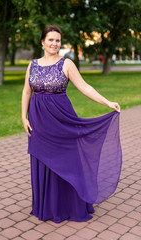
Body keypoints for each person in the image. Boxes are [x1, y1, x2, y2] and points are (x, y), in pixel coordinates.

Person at [21, 25, 122, 223]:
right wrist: (23, 117)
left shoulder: (66, 64)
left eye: (57, 40)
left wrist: (108, 102)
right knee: (42, 160)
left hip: (61, 119)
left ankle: (70, 205)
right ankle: (47, 207)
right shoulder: (32, 64)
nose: (54, 43)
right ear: (42, 42)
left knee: (68, 158)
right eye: (50, 39)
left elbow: (84, 86)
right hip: (38, 121)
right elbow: (26, 91)